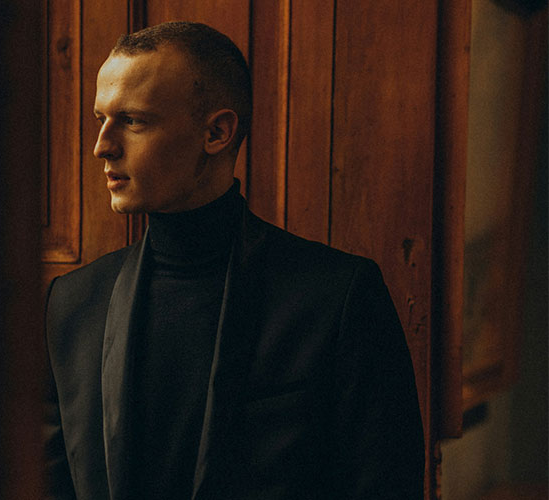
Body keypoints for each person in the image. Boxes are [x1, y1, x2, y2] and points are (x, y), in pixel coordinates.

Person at [44, 21, 424, 500]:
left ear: (217, 132)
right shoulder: (73, 304)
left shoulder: (337, 298)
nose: (102, 145)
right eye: (101, 118)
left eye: (133, 120)